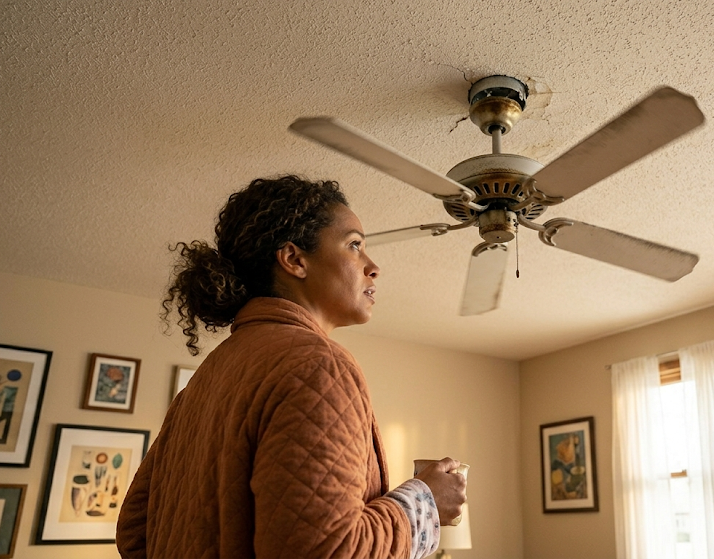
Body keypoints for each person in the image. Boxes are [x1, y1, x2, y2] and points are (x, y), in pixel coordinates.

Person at [116, 175, 466, 559]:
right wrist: (423, 501)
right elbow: (325, 550)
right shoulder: (317, 365)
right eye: (354, 246)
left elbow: (135, 531)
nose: (373, 267)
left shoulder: (203, 382)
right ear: (295, 260)